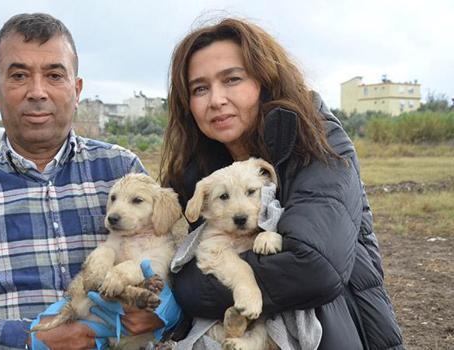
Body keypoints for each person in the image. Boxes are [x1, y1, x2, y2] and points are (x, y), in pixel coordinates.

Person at [0, 13, 168, 349]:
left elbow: (173, 261)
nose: (37, 92)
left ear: (76, 89)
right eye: (19, 75)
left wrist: (167, 308)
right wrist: (26, 339)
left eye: (54, 75)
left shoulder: (121, 170)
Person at [159, 18, 404, 349]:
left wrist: (188, 290)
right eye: (200, 88)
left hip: (336, 333)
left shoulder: (317, 139)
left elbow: (314, 267)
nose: (216, 99)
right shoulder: (203, 169)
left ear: (264, 80)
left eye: (232, 79)